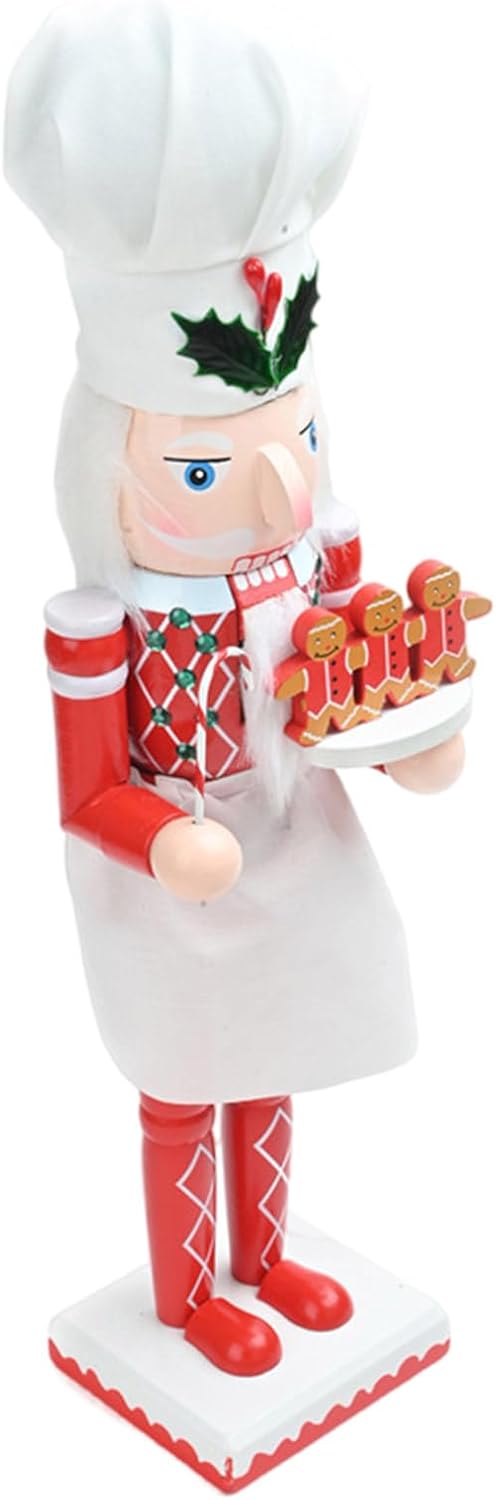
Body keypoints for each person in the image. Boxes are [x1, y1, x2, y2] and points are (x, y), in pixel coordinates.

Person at [4, 0, 465, 1377]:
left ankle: (263, 1255)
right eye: (203, 467)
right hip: (173, 880)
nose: (277, 487)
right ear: (113, 472)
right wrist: (166, 841)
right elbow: (89, 789)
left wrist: (409, 742)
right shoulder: (106, 630)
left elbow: (349, 686)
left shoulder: (320, 566)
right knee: (183, 1076)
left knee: (277, 1049)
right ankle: (184, 1293)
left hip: (292, 845)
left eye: (296, 434)